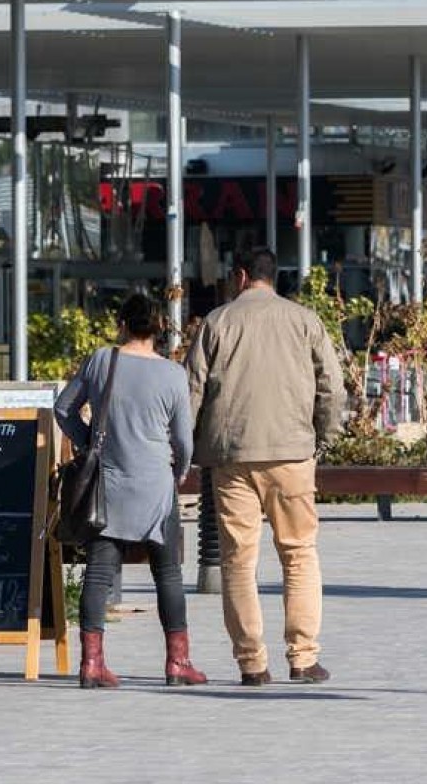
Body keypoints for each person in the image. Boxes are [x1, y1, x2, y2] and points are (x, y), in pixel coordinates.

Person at [185, 245, 347, 686]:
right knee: (299, 554)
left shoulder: (217, 322)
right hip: (292, 453)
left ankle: (252, 663)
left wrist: (185, 449)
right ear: (272, 277)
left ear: (240, 276)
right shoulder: (304, 321)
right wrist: (323, 439)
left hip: (232, 456)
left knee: (238, 560)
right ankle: (303, 657)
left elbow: (192, 392)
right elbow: (332, 387)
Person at [54, 291, 206, 690]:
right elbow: (184, 441)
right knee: (168, 574)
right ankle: (178, 663)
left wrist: (88, 443)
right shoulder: (173, 375)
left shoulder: (103, 361)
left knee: (99, 572)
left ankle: (92, 663)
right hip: (156, 487)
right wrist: (180, 472)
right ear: (158, 329)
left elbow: (63, 408)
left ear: (122, 323)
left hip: (110, 486)